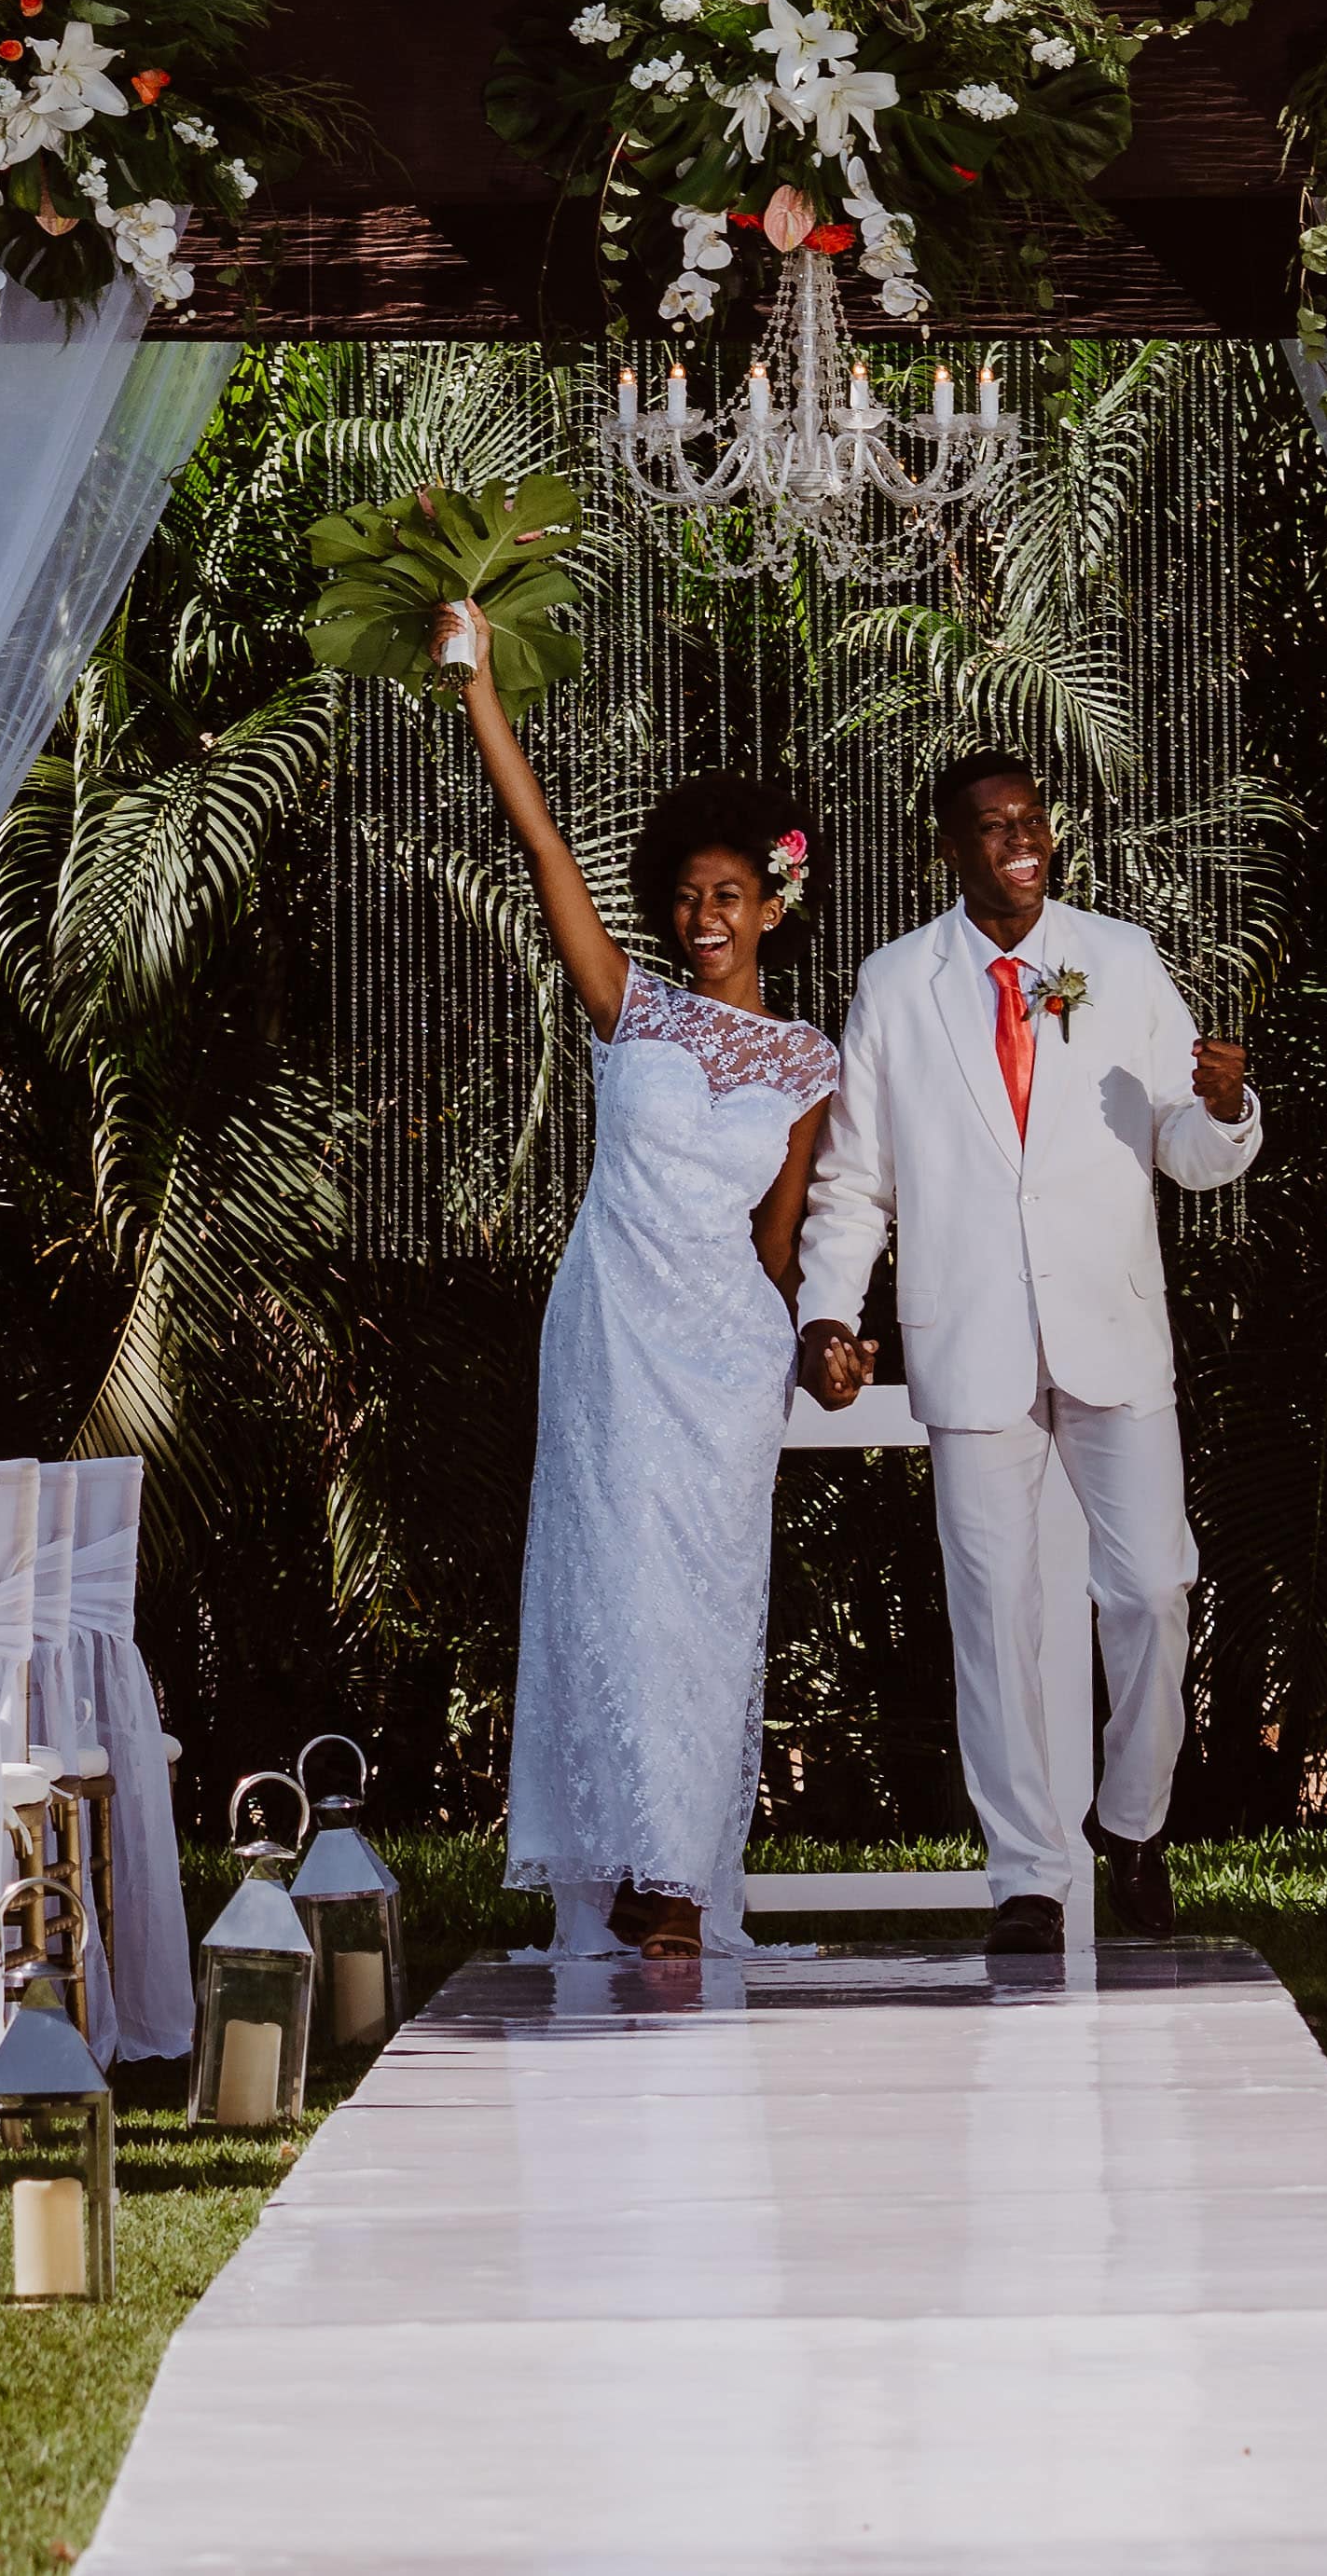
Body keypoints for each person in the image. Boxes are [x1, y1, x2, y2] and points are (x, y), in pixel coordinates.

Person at [790, 751, 1260, 1951]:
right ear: (951, 850)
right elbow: (853, 1182)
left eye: (1032, 822)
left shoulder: (1118, 960)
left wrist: (1220, 1113)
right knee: (994, 1614)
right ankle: (1028, 1881)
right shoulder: (899, 986)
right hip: (973, 1337)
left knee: (1155, 1584)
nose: (1019, 840)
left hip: (1110, 1323)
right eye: (991, 827)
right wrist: (828, 1312)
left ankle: (1135, 1825)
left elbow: (1180, 1148)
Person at [436, 596, 840, 1962]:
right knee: (608, 1585)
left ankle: (678, 1875)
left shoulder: (807, 1063)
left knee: (705, 1606)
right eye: (687, 893)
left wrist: (812, 1348)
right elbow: (541, 836)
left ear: (773, 904)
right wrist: (481, 678)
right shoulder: (634, 1005)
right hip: (611, 1331)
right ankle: (619, 1851)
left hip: (725, 1356)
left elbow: (778, 1243)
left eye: (729, 894)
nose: (701, 914)